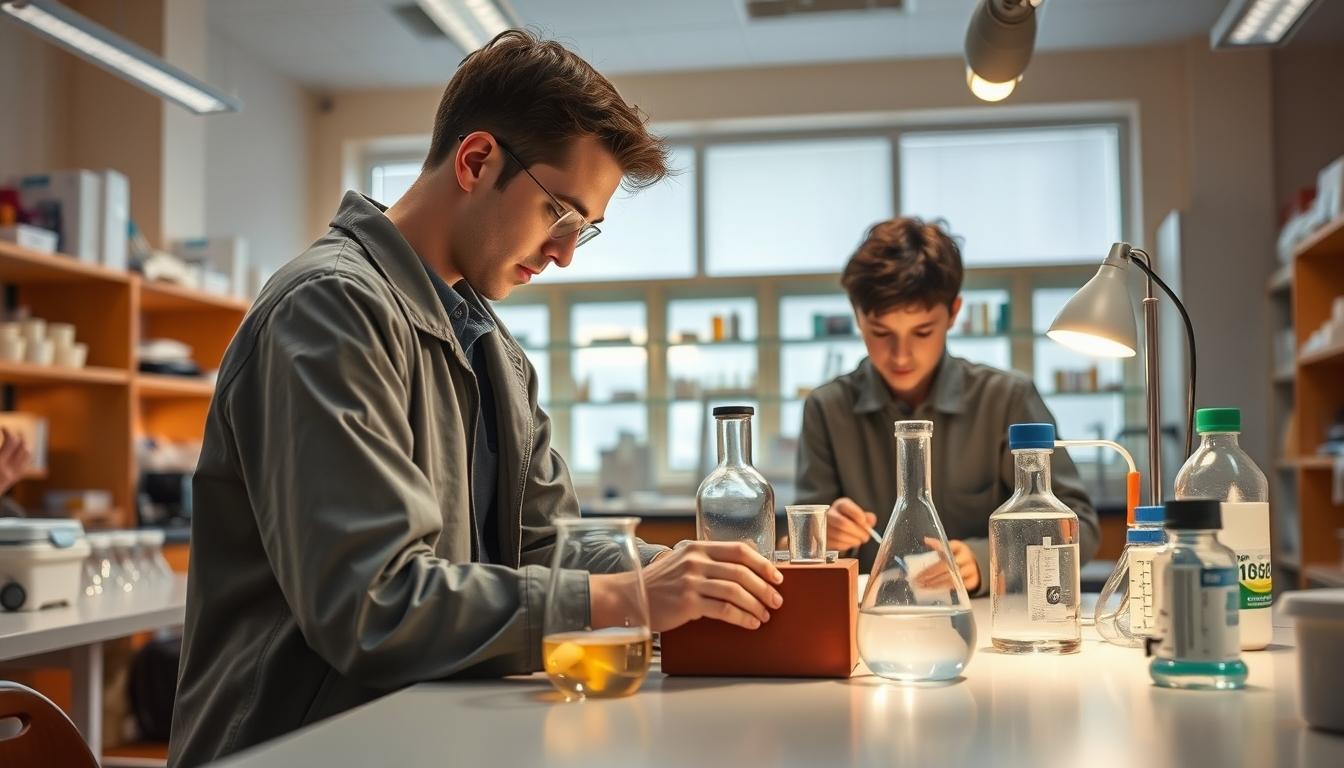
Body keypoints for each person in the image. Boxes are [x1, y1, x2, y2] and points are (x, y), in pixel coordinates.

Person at [168, 31, 783, 767]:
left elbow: (543, 547)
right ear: (476, 160)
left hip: (428, 732)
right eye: (559, 212)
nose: (562, 252)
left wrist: (677, 568)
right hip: (300, 747)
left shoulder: (492, 350)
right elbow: (375, 605)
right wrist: (631, 599)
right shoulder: (329, 311)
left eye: (582, 231)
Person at [793, 217, 1099, 595]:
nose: (900, 355)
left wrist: (988, 557)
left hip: (986, 621)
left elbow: (1079, 528)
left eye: (922, 332)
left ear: (954, 312)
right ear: (857, 316)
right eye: (880, 332)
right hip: (870, 624)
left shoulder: (1006, 400)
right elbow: (801, 546)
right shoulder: (827, 409)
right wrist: (824, 532)